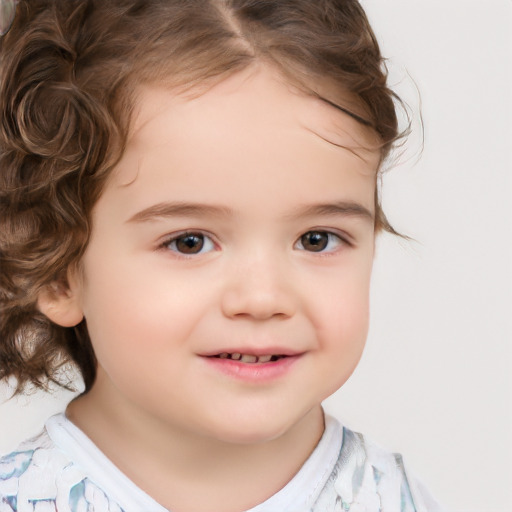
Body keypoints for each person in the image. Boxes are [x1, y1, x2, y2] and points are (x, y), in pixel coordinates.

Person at [0, 0, 444, 510]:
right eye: (190, 242)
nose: (263, 298)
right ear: (56, 269)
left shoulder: (395, 500)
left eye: (316, 239)